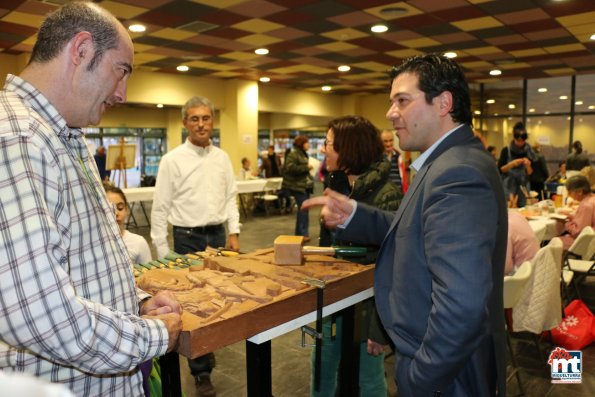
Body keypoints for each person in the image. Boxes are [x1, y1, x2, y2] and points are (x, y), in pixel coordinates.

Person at [0, 2, 181, 396]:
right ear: (81, 51)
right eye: (122, 71)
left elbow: (81, 255)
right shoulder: (16, 139)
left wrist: (136, 300)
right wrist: (151, 337)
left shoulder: (63, 134)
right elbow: (39, 315)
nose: (122, 93)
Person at [303, 54, 507, 396]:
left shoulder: (457, 173)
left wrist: (418, 377)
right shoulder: (447, 162)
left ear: (443, 103)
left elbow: (463, 305)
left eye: (402, 100)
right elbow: (414, 230)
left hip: (447, 377)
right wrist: (355, 214)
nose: (390, 113)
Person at [151, 95, 240, 397]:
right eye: (194, 119)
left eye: (206, 118)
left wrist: (234, 232)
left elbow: (231, 197)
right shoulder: (172, 160)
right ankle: (201, 372)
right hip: (186, 238)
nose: (201, 124)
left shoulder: (223, 158)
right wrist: (163, 251)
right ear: (184, 123)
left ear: (213, 121)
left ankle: (207, 349)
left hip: (216, 237)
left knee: (215, 298)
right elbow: (160, 208)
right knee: (192, 305)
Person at [313, 116, 402, 397]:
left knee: (369, 380)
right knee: (322, 374)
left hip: (368, 311)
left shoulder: (387, 195)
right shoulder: (336, 186)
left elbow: (394, 268)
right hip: (332, 303)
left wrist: (379, 328)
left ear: (348, 148)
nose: (323, 150)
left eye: (327, 143)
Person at [105, 184, 152, 265]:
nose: (116, 213)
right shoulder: (94, 245)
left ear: (126, 209)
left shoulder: (138, 243)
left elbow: (150, 274)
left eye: (120, 208)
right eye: (110, 209)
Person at [281, 135, 313, 240]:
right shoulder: (293, 153)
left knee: (304, 209)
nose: (308, 144)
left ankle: (302, 233)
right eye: (306, 142)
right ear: (301, 143)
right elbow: (289, 168)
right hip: (297, 186)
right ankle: (302, 234)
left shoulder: (303, 154)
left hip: (304, 185)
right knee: (303, 209)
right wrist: (306, 167)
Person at [498, 122, 535, 208]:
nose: (520, 142)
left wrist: (528, 165)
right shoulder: (506, 150)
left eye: (523, 140)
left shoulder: (529, 151)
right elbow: (500, 169)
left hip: (523, 186)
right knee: (509, 208)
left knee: (524, 209)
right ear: (514, 137)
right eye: (518, 140)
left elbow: (530, 173)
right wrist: (511, 164)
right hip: (509, 185)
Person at [559, 175, 595, 249]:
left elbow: (578, 232)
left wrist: (566, 223)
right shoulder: (592, 198)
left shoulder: (586, 205)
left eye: (570, 192)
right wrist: (571, 217)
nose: (568, 195)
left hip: (588, 244)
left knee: (553, 242)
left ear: (580, 191)